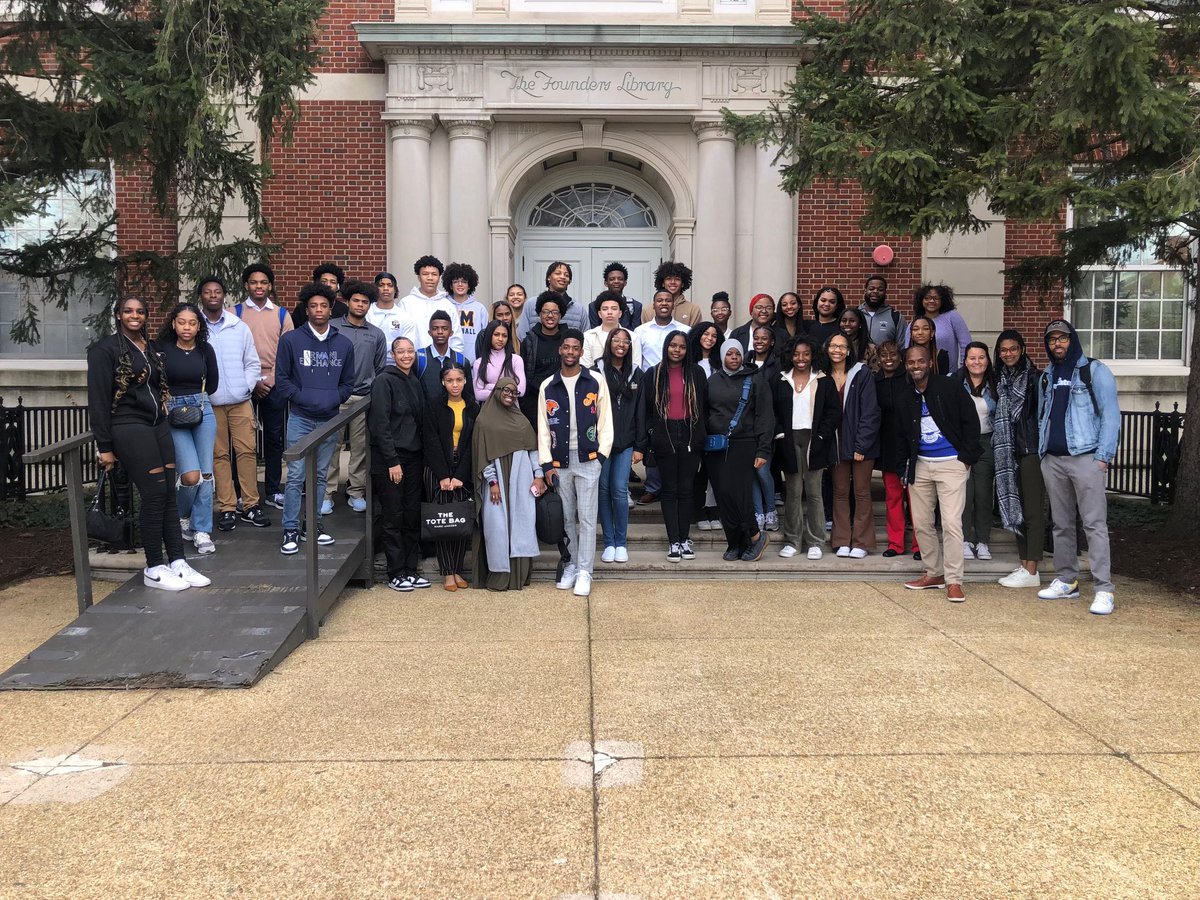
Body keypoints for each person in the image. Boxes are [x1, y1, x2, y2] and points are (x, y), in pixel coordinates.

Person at [88, 297, 210, 591]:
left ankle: (178, 562)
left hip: (158, 424)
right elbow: (99, 400)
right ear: (118, 315)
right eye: (128, 311)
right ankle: (154, 566)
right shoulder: (104, 350)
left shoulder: (150, 347)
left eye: (140, 311)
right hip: (128, 426)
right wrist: (104, 445)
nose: (134, 316)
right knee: (154, 494)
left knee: (169, 492)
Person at [1036, 319, 1120, 615]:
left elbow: (1111, 415)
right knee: (1061, 524)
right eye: (1052, 340)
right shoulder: (1047, 374)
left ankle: (1104, 589)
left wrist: (1103, 457)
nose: (1057, 344)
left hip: (1086, 458)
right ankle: (1067, 580)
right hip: (1054, 460)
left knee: (1095, 525)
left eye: (1063, 338)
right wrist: (1043, 452)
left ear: (1073, 339)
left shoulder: (1094, 371)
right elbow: (1042, 414)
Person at [274, 284, 357, 554]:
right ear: (306, 310)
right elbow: (283, 380)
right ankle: (289, 529)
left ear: (330, 309)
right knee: (296, 476)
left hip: (329, 420)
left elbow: (348, 382)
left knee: (320, 475)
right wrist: (302, 398)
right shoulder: (291, 340)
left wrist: (335, 399)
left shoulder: (343, 343)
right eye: (313, 306)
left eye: (323, 306)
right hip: (300, 418)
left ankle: (313, 525)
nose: (319, 310)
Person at [900, 343, 981, 601]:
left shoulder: (949, 387)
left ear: (930, 362)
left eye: (920, 361)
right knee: (922, 523)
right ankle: (933, 573)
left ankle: (954, 580)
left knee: (951, 524)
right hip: (921, 465)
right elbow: (902, 435)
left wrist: (965, 459)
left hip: (951, 464)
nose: (916, 366)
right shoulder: (906, 395)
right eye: (911, 362)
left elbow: (971, 422)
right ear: (907, 365)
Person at [537, 328, 614, 597]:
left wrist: (602, 456)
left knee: (588, 519)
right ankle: (569, 564)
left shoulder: (594, 380)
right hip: (560, 463)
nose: (570, 352)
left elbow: (605, 421)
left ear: (582, 351)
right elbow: (543, 427)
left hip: (588, 460)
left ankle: (585, 571)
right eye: (566, 347)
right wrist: (546, 464)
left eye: (575, 348)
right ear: (560, 350)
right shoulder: (548, 385)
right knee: (566, 517)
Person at [196, 276, 268, 533]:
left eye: (217, 291)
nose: (213, 295)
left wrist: (245, 387)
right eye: (207, 292)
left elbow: (252, 362)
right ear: (201, 296)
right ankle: (227, 507)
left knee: (247, 453)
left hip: (240, 402)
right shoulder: (196, 328)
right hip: (211, 404)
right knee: (219, 456)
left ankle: (250, 505)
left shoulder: (239, 326)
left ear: (224, 296)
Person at [471, 377, 547, 591]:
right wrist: (492, 482)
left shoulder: (522, 420)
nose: (509, 394)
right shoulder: (484, 421)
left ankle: (518, 577)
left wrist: (538, 475)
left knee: (522, 523)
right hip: (496, 482)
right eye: (505, 390)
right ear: (496, 391)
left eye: (514, 391)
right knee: (497, 526)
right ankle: (499, 578)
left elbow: (532, 450)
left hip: (521, 479)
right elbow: (482, 455)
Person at [158, 302, 220, 556]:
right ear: (173, 324)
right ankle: (182, 514)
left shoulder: (205, 350)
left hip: (202, 408)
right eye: (182, 322)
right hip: (173, 411)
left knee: (205, 474)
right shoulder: (161, 350)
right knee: (190, 475)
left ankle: (202, 529)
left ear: (199, 326)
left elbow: (213, 384)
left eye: (192, 323)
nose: (187, 327)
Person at [639, 330, 707, 562]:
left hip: (690, 434)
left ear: (687, 350)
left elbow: (704, 407)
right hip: (664, 434)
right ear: (666, 346)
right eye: (673, 345)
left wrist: (700, 435)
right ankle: (673, 541)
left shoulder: (696, 373)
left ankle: (685, 538)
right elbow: (646, 409)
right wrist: (651, 433)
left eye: (682, 346)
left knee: (686, 489)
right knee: (669, 490)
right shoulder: (653, 374)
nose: (677, 350)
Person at [369, 337, 430, 591]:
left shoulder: (414, 380)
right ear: (393, 354)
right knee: (393, 514)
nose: (406, 356)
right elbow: (380, 424)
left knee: (412, 513)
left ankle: (410, 568)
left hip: (414, 456)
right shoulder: (384, 380)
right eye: (401, 352)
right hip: (391, 460)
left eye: (410, 351)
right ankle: (395, 571)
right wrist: (392, 460)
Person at [772, 335, 840, 560]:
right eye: (796, 354)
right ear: (790, 356)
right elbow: (772, 411)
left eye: (806, 354)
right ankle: (792, 540)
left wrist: (821, 436)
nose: (801, 358)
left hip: (814, 440)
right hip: (789, 439)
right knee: (793, 491)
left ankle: (816, 542)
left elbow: (833, 413)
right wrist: (780, 434)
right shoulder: (780, 380)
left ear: (813, 356)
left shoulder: (824, 380)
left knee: (814, 492)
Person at [705, 340, 773, 562]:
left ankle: (755, 536)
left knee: (740, 494)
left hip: (744, 444)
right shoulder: (712, 381)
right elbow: (705, 413)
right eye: (729, 354)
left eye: (737, 354)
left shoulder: (755, 381)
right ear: (722, 356)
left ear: (743, 356)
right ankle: (735, 542)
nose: (733, 357)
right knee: (723, 494)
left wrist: (763, 450)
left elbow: (765, 417)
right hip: (716, 445)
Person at [326, 279, 388, 514]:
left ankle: (356, 492)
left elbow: (380, 367)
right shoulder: (333, 328)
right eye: (356, 301)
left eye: (365, 302)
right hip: (336, 398)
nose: (360, 305)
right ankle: (327, 492)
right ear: (347, 301)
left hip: (363, 399)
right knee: (331, 447)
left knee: (360, 449)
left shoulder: (376, 334)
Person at [235, 263, 293, 510]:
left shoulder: (281, 314)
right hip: (243, 384)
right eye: (253, 282)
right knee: (242, 441)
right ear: (247, 285)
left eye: (263, 282)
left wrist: (270, 379)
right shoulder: (234, 313)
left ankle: (272, 490)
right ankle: (241, 493)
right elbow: (231, 352)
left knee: (273, 438)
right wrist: (253, 381)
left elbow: (287, 351)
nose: (258, 286)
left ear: (270, 286)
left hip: (274, 383)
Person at [993, 329, 1046, 588]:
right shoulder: (1001, 380)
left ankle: (1033, 569)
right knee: (1018, 510)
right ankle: (1024, 563)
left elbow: (1041, 417)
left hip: (1031, 451)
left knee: (1033, 510)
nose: (1008, 354)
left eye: (1013, 349)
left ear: (1022, 349)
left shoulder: (1035, 379)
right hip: (1008, 452)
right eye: (1003, 350)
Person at [422, 362, 478, 591]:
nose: (455, 385)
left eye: (459, 380)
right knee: (443, 520)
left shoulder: (473, 406)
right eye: (450, 380)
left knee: (460, 520)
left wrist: (460, 475)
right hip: (438, 469)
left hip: (462, 470)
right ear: (443, 382)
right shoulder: (433, 406)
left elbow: (473, 443)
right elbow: (430, 440)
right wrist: (444, 475)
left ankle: (458, 570)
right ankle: (447, 573)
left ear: (465, 381)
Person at [825, 332, 880, 558]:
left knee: (862, 492)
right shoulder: (822, 375)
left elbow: (871, 412)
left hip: (861, 445)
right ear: (827, 349)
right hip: (835, 444)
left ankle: (861, 542)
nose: (837, 350)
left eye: (842, 346)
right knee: (839, 492)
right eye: (833, 345)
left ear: (848, 350)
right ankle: (841, 540)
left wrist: (861, 446)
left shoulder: (862, 373)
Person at [595, 328, 645, 564]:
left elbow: (641, 411)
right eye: (616, 339)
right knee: (603, 491)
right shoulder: (596, 370)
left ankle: (621, 543)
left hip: (626, 441)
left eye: (626, 341)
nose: (621, 344)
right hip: (600, 443)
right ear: (609, 343)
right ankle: (608, 543)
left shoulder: (637, 373)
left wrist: (639, 446)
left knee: (619, 490)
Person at [633, 290, 688, 505]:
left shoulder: (685, 330)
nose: (663, 303)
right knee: (653, 437)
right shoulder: (640, 331)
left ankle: (674, 486)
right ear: (653, 305)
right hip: (651, 386)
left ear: (673, 304)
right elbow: (637, 361)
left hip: (678, 385)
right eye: (659, 300)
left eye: (667, 300)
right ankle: (653, 487)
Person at [874, 341, 920, 559]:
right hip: (888, 449)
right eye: (884, 355)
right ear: (878, 358)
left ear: (900, 358)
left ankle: (920, 546)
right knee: (893, 498)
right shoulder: (875, 382)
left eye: (893, 354)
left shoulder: (910, 380)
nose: (889, 358)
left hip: (912, 448)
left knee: (916, 501)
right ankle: (896, 544)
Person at [959, 342, 997, 561]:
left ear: (987, 360)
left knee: (983, 495)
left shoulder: (995, 384)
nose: (977, 362)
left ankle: (982, 541)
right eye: (972, 358)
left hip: (986, 442)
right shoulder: (955, 383)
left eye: (981, 357)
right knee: (965, 493)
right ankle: (964, 540)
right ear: (965, 361)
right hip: (963, 443)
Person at [687, 321, 724, 529]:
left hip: (717, 421)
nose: (709, 338)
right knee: (698, 470)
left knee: (715, 470)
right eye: (706, 334)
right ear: (698, 336)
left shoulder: (721, 363)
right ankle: (699, 513)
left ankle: (714, 511)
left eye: (713, 336)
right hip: (694, 422)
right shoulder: (690, 362)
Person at [748, 324, 781, 532]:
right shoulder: (745, 362)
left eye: (764, 338)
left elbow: (780, 398)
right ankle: (758, 513)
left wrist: (779, 426)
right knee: (751, 472)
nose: (759, 341)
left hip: (769, 424)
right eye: (756, 338)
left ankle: (771, 511)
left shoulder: (778, 365)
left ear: (772, 342)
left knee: (762, 470)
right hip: (747, 426)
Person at [519, 291, 566, 425]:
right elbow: (523, 375)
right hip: (534, 402)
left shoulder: (568, 340)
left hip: (563, 400)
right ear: (539, 315)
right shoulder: (529, 341)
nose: (550, 316)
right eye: (545, 312)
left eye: (554, 312)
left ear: (560, 315)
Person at [403, 255, 465, 354]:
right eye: (425, 274)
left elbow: (456, 339)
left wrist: (454, 364)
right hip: (413, 362)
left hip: (444, 364)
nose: (430, 278)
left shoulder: (448, 305)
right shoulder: (406, 303)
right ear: (419, 277)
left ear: (439, 277)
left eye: (434, 274)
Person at [905, 283, 972, 369]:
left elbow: (966, 344)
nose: (931, 301)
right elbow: (908, 350)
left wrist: (964, 370)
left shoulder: (952, 316)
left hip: (949, 374)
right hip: (919, 374)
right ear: (921, 300)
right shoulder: (915, 323)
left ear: (942, 301)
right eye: (927, 298)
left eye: (936, 298)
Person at [417, 310, 473, 405]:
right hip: (424, 417)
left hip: (453, 417)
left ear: (451, 332)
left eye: (444, 328)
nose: (440, 332)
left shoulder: (461, 361)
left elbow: (469, 396)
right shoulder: (419, 358)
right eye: (435, 328)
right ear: (429, 332)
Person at [519, 262, 588, 334]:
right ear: (548, 277)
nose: (562, 277)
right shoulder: (531, 304)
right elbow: (522, 335)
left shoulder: (579, 309)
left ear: (569, 281)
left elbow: (586, 339)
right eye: (558, 273)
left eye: (566, 275)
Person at [367, 270, 419, 360]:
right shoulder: (367, 313)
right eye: (381, 285)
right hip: (370, 363)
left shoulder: (404, 317)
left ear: (395, 290)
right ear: (375, 289)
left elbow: (406, 346)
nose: (386, 288)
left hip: (395, 365)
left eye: (390, 285)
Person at [443, 262, 489, 365]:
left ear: (469, 285)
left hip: (473, 364)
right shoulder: (444, 305)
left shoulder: (480, 308)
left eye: (464, 281)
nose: (460, 285)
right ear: (450, 285)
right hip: (448, 363)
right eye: (456, 281)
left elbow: (485, 337)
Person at [583, 290, 643, 369]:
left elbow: (636, 365)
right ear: (599, 314)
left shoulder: (633, 337)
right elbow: (586, 366)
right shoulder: (588, 336)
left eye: (614, 309)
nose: (609, 312)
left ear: (620, 313)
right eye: (605, 309)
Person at [473, 319, 526, 404]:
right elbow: (478, 394)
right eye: (496, 335)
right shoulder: (479, 363)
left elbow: (521, 391)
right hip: (489, 411)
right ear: (489, 335)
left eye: (504, 336)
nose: (500, 339)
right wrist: (508, 389)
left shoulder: (516, 360)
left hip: (511, 411)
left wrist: (490, 387)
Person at [642, 261, 702, 326]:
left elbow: (695, 334)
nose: (673, 282)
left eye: (677, 279)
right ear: (662, 283)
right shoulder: (648, 311)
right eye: (668, 279)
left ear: (682, 284)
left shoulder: (693, 310)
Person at [292, 263, 349, 328]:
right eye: (324, 281)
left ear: (337, 287)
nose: (328, 284)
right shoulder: (303, 307)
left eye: (332, 282)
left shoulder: (344, 309)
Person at [588, 262, 644, 328]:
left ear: (625, 283)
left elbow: (635, 332)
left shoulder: (635, 306)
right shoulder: (593, 306)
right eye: (612, 279)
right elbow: (594, 331)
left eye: (620, 279)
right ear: (606, 283)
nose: (616, 281)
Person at [860, 275, 905, 345]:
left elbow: (902, 348)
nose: (875, 291)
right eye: (871, 289)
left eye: (880, 289)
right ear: (865, 290)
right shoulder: (855, 314)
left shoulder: (896, 317)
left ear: (885, 292)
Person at [840, 307, 877, 372]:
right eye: (844, 320)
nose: (847, 324)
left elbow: (874, 374)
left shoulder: (871, 349)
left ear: (860, 324)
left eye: (852, 321)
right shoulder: (831, 345)